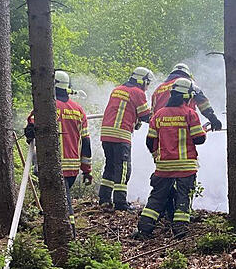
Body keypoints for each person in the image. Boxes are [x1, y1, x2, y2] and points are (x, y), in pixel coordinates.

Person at [133, 78, 206, 240]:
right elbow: (199, 139)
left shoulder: (158, 115)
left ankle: (144, 229)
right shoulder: (190, 114)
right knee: (183, 197)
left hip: (164, 167)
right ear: (186, 96)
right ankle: (180, 231)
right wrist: (204, 130)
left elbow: (150, 141)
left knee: (157, 198)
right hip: (186, 167)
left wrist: (156, 157)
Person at [24, 70, 92, 233]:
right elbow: (86, 143)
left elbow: (30, 131)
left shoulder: (45, 108)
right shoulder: (78, 110)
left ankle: (68, 232)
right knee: (62, 199)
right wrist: (87, 169)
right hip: (72, 168)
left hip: (49, 165)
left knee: (59, 202)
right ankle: (64, 231)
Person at [98, 67, 153, 211]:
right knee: (123, 169)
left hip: (106, 133)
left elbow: (125, 110)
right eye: (148, 83)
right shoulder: (138, 92)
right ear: (142, 80)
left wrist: (135, 120)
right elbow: (146, 116)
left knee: (110, 166)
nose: (148, 87)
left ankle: (104, 199)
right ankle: (120, 203)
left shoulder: (118, 89)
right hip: (120, 134)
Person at [150, 63, 223, 131]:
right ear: (187, 74)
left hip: (161, 129)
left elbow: (152, 114)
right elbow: (203, 103)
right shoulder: (189, 85)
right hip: (183, 124)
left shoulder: (158, 89)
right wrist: (213, 119)